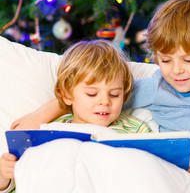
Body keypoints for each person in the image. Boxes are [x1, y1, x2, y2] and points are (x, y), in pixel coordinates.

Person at [11, 0, 190, 187]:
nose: (176, 71)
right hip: (186, 168)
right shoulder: (155, 87)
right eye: (165, 61)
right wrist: (41, 113)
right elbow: (103, 97)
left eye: (189, 60)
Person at [0, 39, 151, 192]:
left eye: (114, 94)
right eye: (92, 94)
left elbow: (152, 172)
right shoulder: (49, 130)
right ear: (66, 95)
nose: (105, 101)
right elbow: (29, 179)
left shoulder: (135, 128)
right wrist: (4, 177)